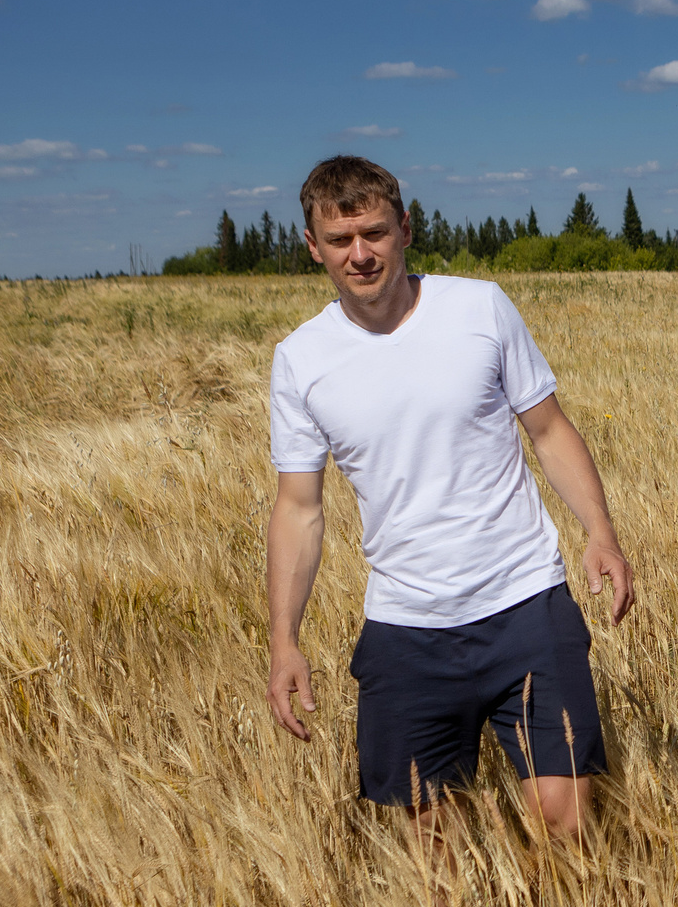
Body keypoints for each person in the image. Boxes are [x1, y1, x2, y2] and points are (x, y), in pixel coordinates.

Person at [264, 155, 634, 848]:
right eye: (340, 240)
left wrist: (600, 532)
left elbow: (548, 429)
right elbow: (298, 508)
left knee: (567, 823)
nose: (360, 254)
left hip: (526, 602)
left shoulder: (479, 307)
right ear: (313, 246)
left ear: (405, 228)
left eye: (375, 232)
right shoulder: (301, 360)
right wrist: (285, 638)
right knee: (438, 854)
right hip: (406, 627)